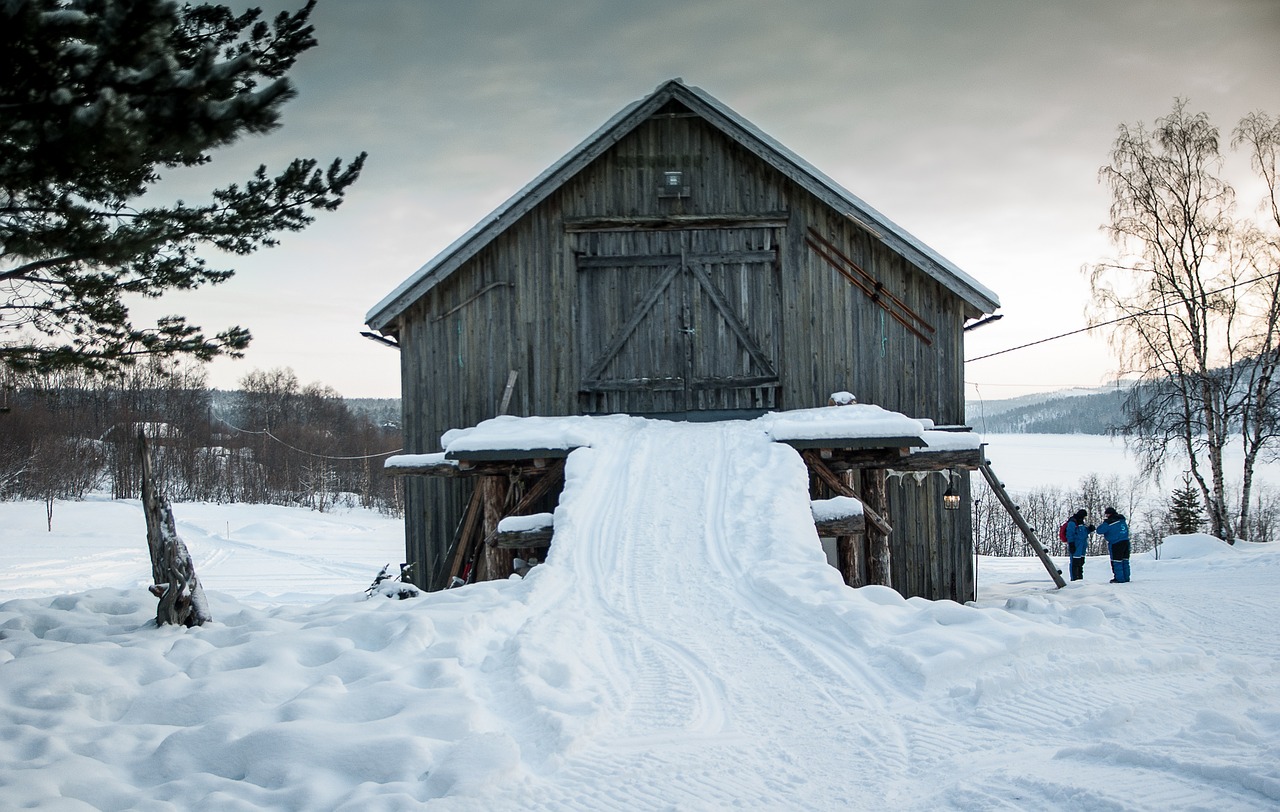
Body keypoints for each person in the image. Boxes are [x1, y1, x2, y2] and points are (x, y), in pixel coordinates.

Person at [1095, 506, 1131, 583]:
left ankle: (1119, 578)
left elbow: (1099, 530)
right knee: (1125, 560)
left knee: (1117, 561)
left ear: (1109, 514)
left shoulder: (1109, 522)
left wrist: (1105, 522)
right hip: (1126, 541)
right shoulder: (1122, 520)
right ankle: (1126, 577)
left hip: (1116, 543)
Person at [1065, 509, 1093, 581]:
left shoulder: (1080, 522)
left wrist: (1089, 529)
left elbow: (1082, 533)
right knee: (1075, 563)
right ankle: (1074, 579)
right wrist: (1071, 544)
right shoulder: (1073, 522)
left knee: (1080, 562)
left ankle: (1080, 578)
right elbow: (1070, 533)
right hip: (1076, 545)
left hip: (1082, 545)